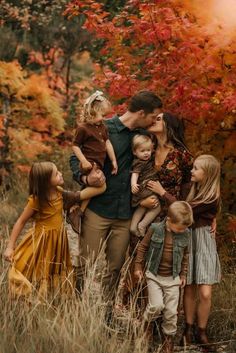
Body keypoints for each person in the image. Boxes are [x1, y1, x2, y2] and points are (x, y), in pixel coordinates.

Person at [70, 91, 163, 305]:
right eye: (153, 116)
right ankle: (73, 307)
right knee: (86, 262)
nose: (154, 121)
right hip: (98, 209)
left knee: (115, 268)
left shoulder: (145, 137)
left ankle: (107, 313)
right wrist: (85, 176)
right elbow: (74, 158)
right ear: (141, 113)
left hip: (125, 216)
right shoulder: (104, 128)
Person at [147, 154, 221, 351]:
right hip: (186, 237)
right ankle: (187, 330)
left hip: (204, 240)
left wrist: (163, 192)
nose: (192, 171)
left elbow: (184, 209)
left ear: (208, 174)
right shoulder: (189, 187)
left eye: (196, 168)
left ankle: (201, 331)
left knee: (205, 292)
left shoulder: (212, 197)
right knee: (188, 287)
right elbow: (181, 209)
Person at [123, 112, 193, 307]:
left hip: (168, 220)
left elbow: (188, 195)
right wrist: (139, 201)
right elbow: (129, 180)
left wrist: (163, 194)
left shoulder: (182, 155)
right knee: (138, 262)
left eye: (159, 118)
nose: (154, 119)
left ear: (169, 126)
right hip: (144, 213)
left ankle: (161, 321)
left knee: (160, 270)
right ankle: (140, 316)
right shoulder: (146, 149)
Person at [3, 161, 83, 298]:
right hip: (42, 241)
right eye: (56, 174)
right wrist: (10, 246)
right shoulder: (36, 200)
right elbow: (21, 221)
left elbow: (76, 197)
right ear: (46, 181)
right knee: (41, 269)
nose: (61, 174)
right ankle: (34, 300)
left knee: (55, 268)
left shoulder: (59, 193)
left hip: (59, 240)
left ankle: (53, 300)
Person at [134, 201, 193, 353]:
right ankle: (146, 326)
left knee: (171, 312)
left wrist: (183, 274)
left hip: (173, 278)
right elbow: (143, 248)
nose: (182, 231)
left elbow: (186, 255)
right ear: (168, 220)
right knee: (156, 305)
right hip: (154, 275)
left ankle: (168, 339)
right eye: (179, 228)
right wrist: (138, 267)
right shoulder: (155, 229)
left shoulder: (186, 233)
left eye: (184, 228)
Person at [72, 90, 118, 211]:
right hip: (89, 162)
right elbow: (75, 146)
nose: (104, 119)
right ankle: (74, 200)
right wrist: (84, 161)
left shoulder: (102, 127)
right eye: (102, 115)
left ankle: (79, 210)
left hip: (98, 164)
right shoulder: (83, 128)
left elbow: (108, 143)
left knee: (93, 187)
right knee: (101, 186)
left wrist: (114, 161)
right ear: (92, 112)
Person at [130, 134, 161, 237]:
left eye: (148, 150)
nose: (146, 153)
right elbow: (135, 174)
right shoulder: (139, 163)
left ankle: (133, 227)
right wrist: (133, 184)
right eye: (142, 151)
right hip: (146, 188)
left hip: (144, 189)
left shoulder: (148, 159)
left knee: (141, 207)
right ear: (135, 152)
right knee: (157, 206)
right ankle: (143, 225)